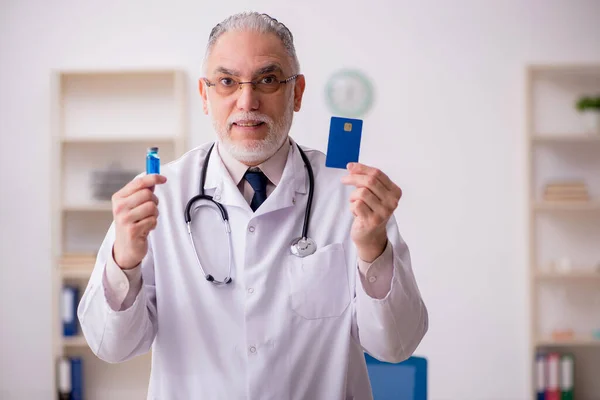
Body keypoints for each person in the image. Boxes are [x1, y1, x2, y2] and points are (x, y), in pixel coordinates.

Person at [77, 11, 428, 400]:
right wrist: (124, 260)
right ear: (205, 95)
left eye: (268, 79)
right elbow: (112, 345)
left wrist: (373, 249)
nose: (247, 101)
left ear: (296, 93)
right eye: (227, 81)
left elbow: (395, 346)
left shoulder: (351, 197)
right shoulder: (159, 197)